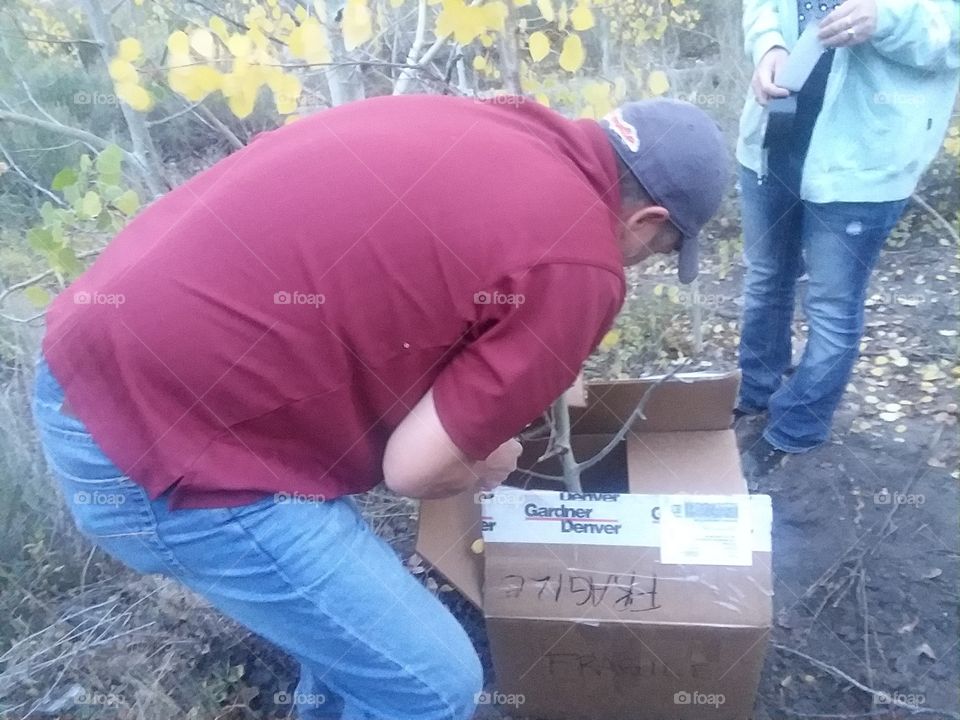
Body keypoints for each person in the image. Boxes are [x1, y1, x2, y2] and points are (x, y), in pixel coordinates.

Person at [32, 94, 728, 720]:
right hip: (164, 455)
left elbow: (429, 286)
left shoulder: (501, 123)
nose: (645, 264)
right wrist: (486, 456)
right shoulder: (580, 261)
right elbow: (416, 471)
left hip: (93, 367)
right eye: (662, 251)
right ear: (648, 220)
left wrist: (537, 367)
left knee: (357, 653)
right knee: (430, 686)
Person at [736, 0, 959, 473]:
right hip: (772, 137)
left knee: (833, 306)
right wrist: (768, 45)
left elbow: (950, 34)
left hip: (865, 160)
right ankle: (753, 396)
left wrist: (887, 19)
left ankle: (795, 429)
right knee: (765, 278)